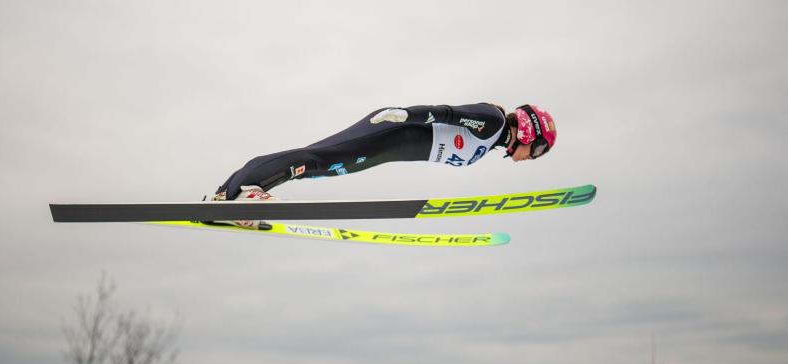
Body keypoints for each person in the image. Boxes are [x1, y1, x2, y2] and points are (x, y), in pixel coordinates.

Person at [213, 103, 557, 228]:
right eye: (539, 148)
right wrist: (407, 114)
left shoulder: (493, 139)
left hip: (388, 148)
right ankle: (246, 192)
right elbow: (449, 112)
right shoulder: (493, 121)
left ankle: (224, 198)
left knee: (320, 165)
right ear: (529, 131)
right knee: (317, 159)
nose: (534, 156)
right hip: (393, 130)